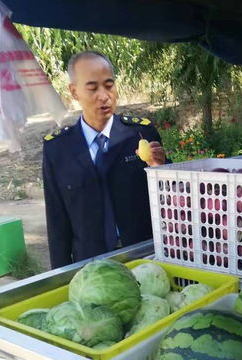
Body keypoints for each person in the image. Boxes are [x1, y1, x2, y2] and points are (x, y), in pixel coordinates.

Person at [42, 51, 167, 269]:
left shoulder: (139, 134)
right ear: (74, 92)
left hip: (146, 258)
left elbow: (171, 200)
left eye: (109, 85)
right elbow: (57, 223)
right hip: (90, 266)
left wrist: (162, 169)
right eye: (92, 88)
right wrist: (60, 278)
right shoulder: (58, 149)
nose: (104, 95)